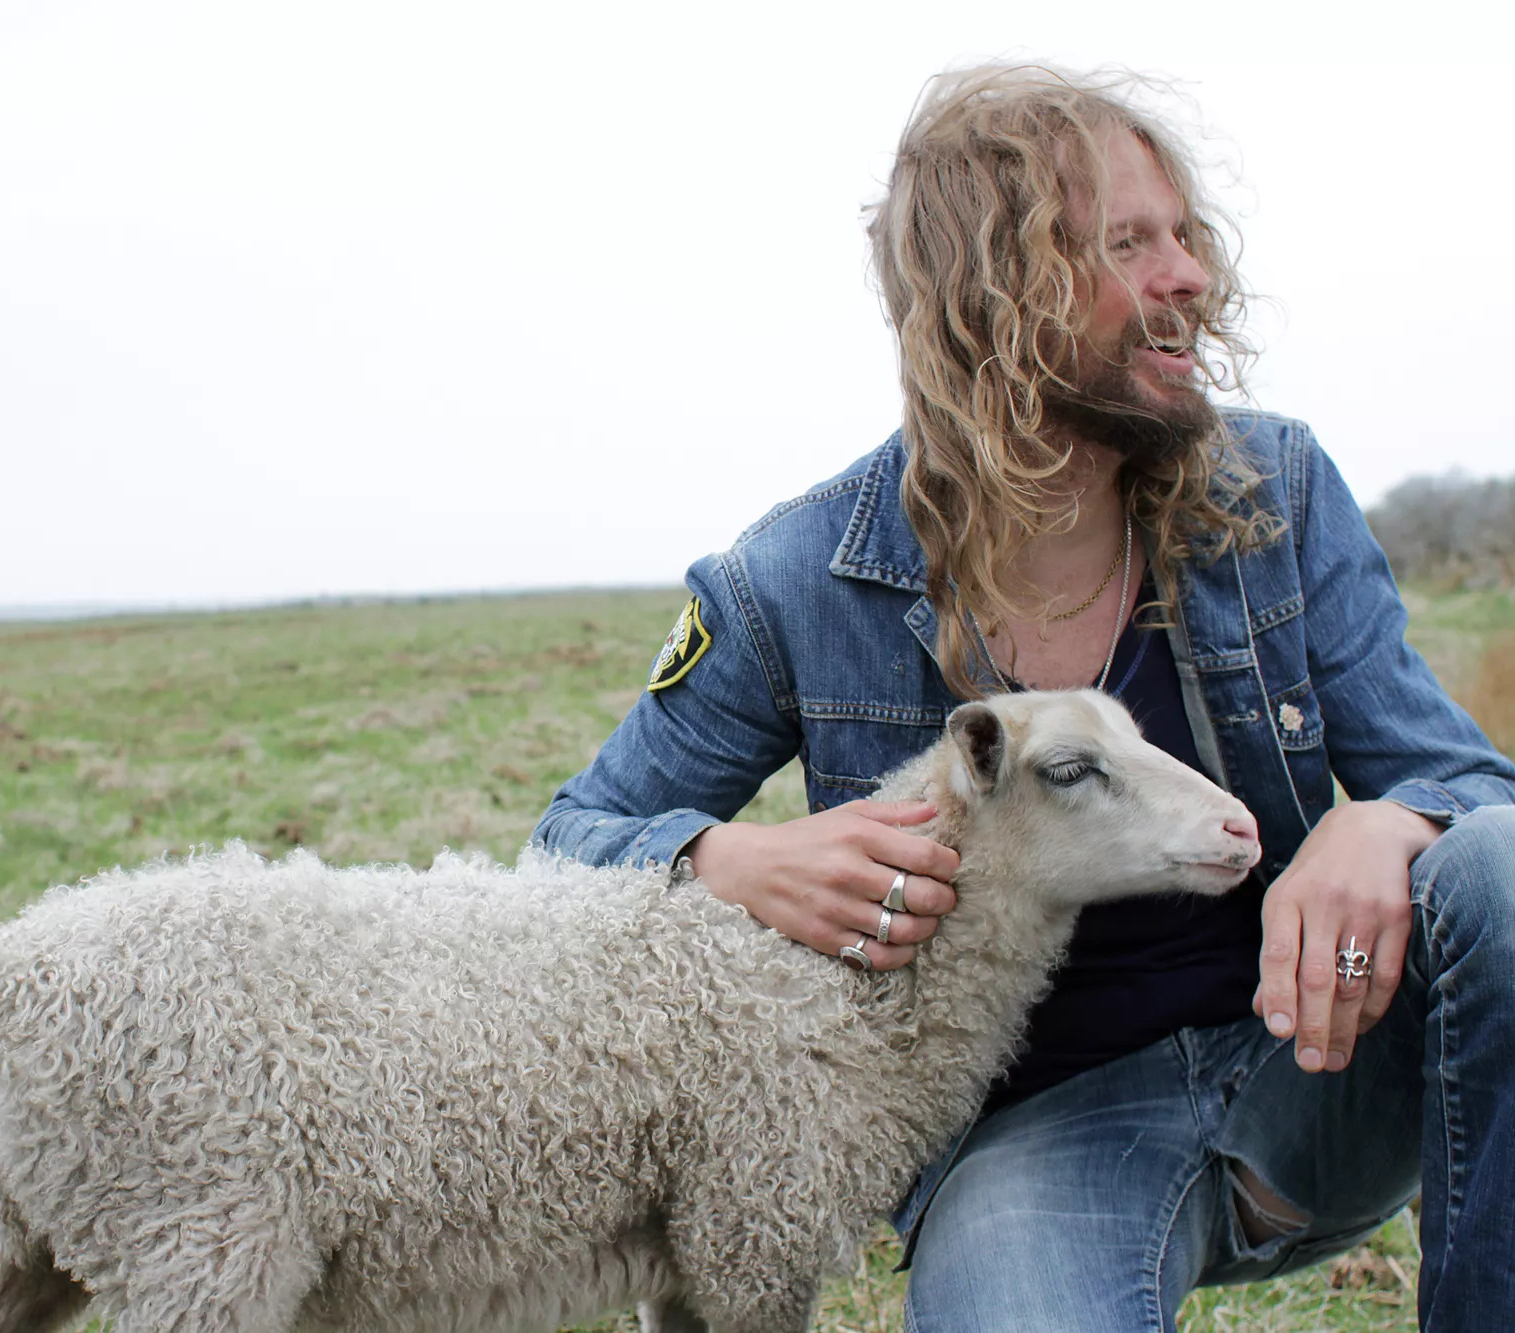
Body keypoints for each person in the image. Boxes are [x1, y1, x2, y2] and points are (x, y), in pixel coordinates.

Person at [532, 64, 1515, 1331]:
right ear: (993, 295)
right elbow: (566, 843)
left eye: (1183, 235)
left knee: (1497, 872)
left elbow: (1473, 789)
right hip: (1037, 1140)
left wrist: (1393, 818)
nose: (1188, 276)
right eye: (1128, 243)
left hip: (1313, 1061)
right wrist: (723, 860)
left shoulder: (1272, 489)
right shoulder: (792, 580)